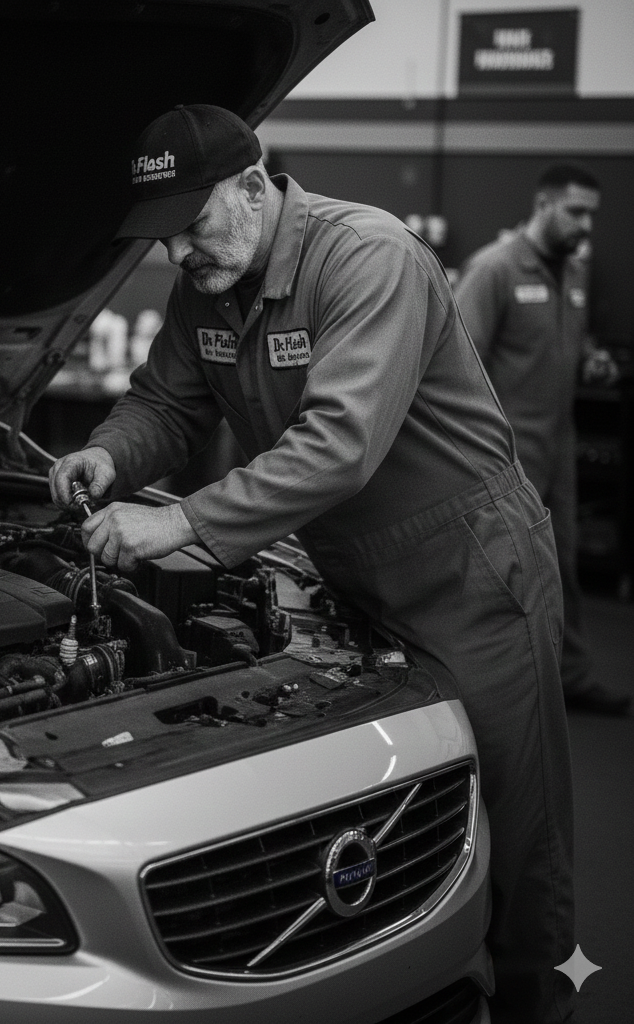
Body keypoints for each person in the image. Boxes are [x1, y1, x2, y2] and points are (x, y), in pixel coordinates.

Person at [49, 104, 575, 1024]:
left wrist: (176, 529)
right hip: (345, 569)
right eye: (161, 239)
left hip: (469, 572)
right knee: (389, 818)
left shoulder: (368, 256)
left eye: (190, 227)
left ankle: (542, 1008)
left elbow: (339, 446)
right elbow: (167, 407)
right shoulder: (207, 287)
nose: (178, 256)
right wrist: (111, 457)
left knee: (516, 838)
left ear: (254, 188)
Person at [455, 165, 629, 716]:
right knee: (503, 579)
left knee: (564, 568)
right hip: (505, 458)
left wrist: (591, 360)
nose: (586, 226)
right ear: (543, 204)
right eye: (576, 212)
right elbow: (456, 365)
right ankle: (502, 693)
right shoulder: (495, 269)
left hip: (560, 448)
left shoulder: (572, 273)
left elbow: (560, 348)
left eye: (591, 214)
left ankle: (569, 676)